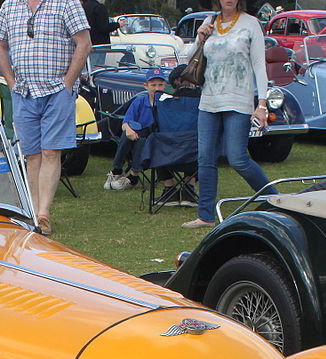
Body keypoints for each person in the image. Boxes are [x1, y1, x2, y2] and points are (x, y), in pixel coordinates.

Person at [0, 0, 92, 237]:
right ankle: (32, 214)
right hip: (23, 92)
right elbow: (0, 45)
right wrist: (11, 81)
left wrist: (68, 82)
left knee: (50, 151)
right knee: (31, 155)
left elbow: (84, 43)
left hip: (57, 91)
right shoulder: (10, 5)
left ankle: (43, 214)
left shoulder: (67, 3)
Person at [181, 0, 273, 230]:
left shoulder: (251, 24)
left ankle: (274, 199)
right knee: (205, 158)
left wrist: (261, 103)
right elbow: (187, 58)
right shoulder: (209, 21)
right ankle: (206, 215)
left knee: (237, 158)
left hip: (238, 99)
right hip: (209, 99)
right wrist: (200, 38)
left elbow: (259, 65)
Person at [104, 67, 167, 189]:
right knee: (127, 134)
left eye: (160, 85)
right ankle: (117, 170)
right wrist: (129, 130)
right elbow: (125, 122)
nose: (157, 88)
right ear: (146, 86)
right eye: (153, 85)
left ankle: (133, 176)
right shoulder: (140, 101)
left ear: (165, 86)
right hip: (138, 134)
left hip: (156, 137)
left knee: (142, 141)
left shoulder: (167, 103)